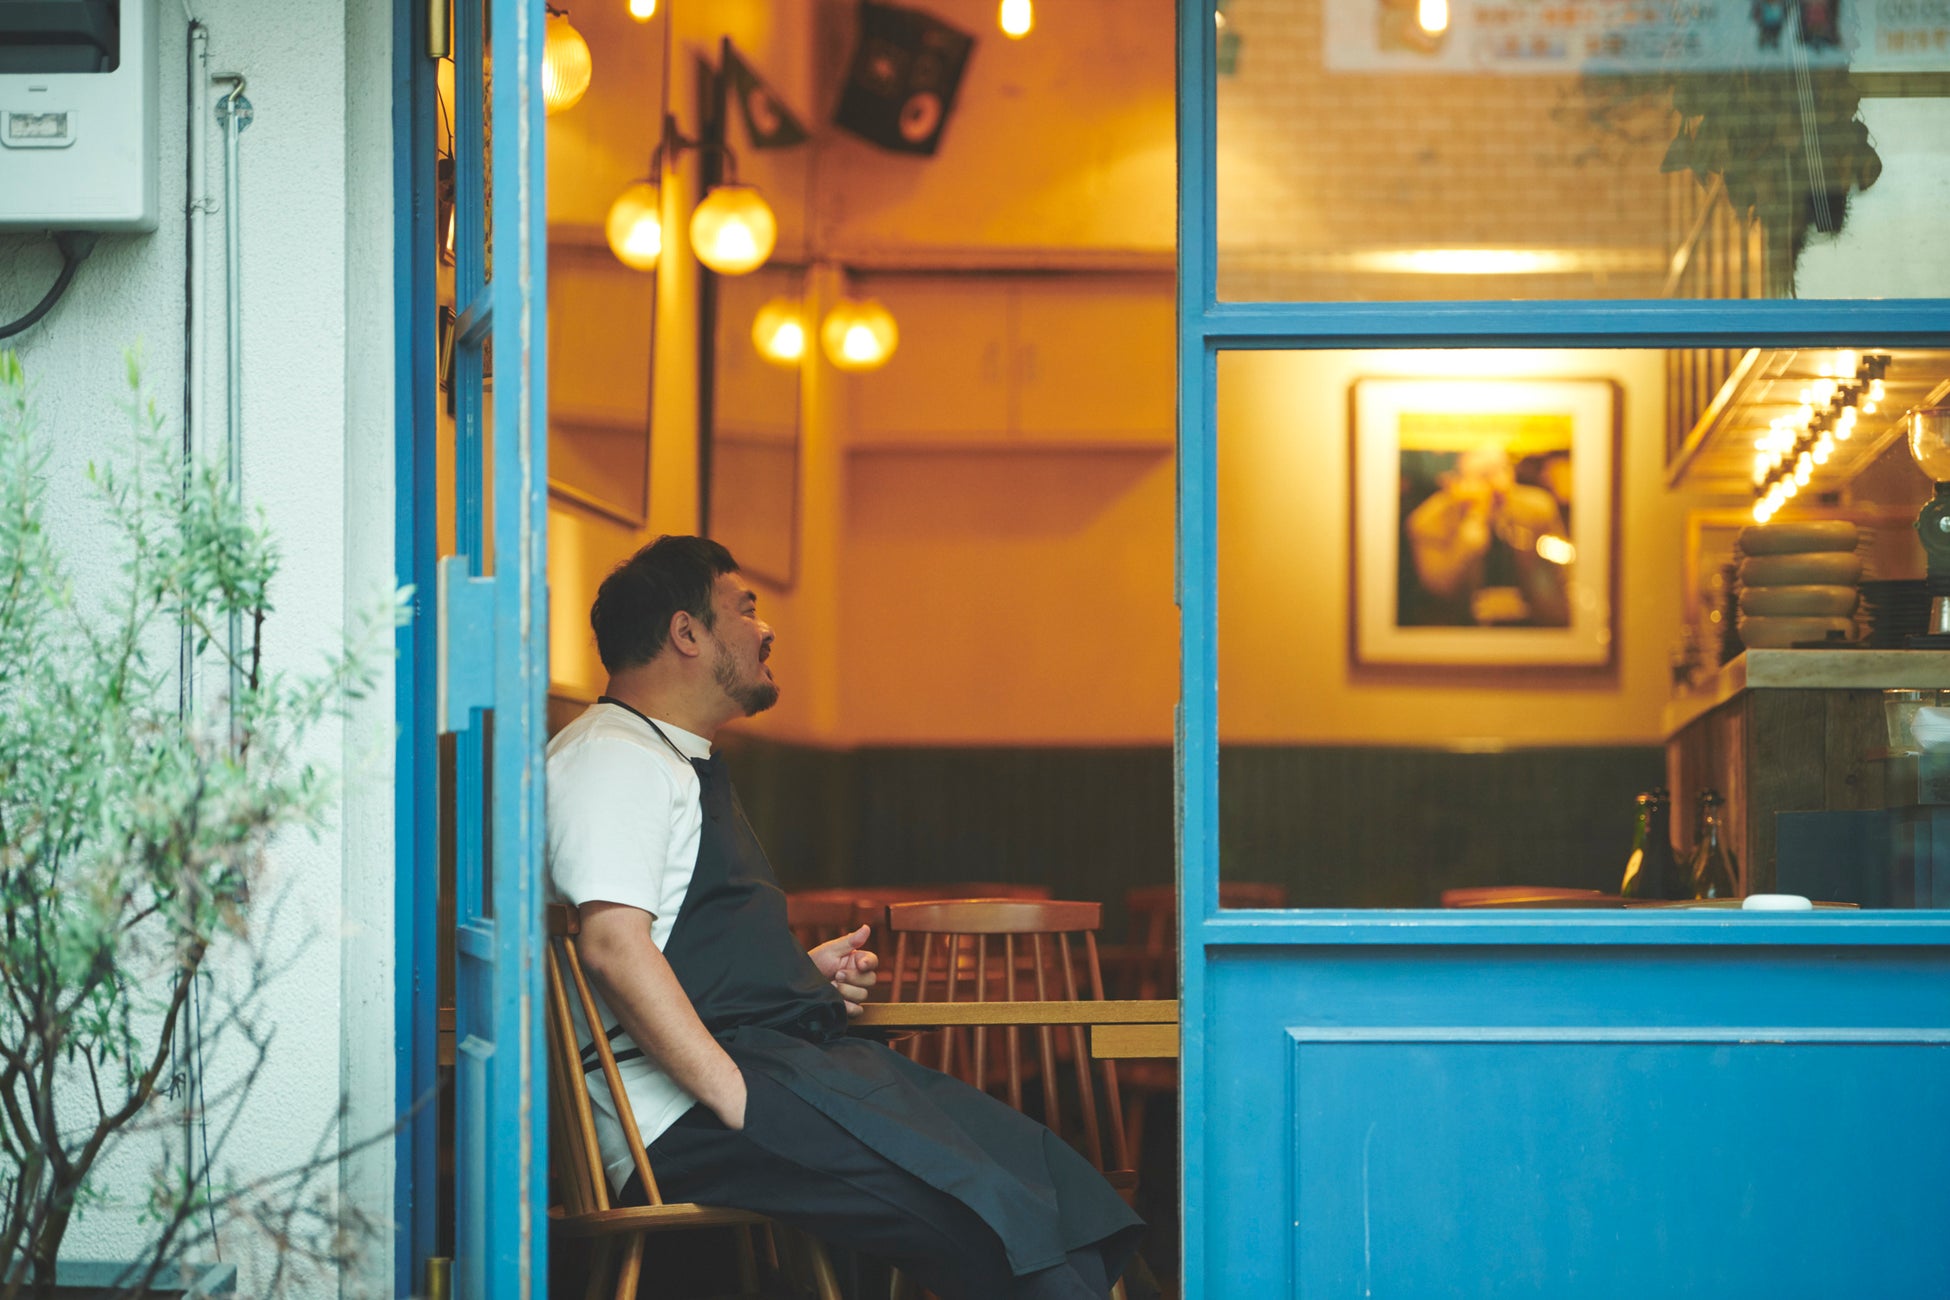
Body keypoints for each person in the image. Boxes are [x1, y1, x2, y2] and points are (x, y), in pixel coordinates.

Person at [546, 536, 1144, 1300]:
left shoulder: (668, 757)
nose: (765, 630)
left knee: (1038, 1172)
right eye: (746, 609)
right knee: (986, 1211)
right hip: (678, 1113)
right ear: (686, 633)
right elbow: (612, 946)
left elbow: (676, 942)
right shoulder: (614, 757)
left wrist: (797, 976)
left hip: (768, 1067)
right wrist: (732, 1093)